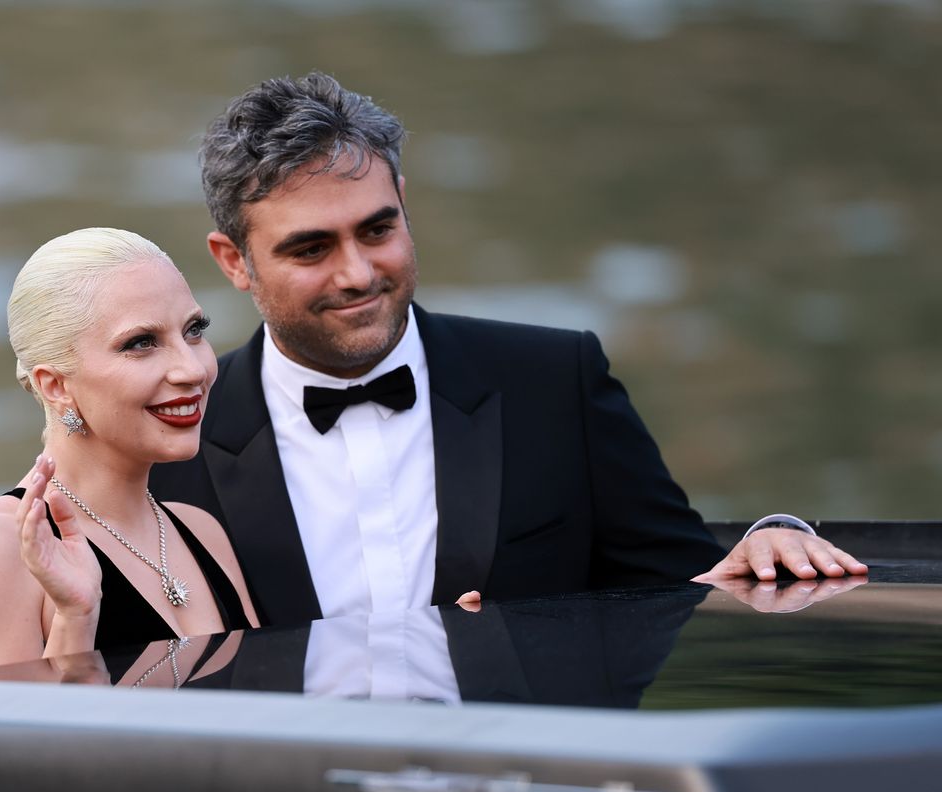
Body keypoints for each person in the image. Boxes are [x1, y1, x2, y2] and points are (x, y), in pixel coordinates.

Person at [148, 72, 867, 628]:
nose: (359, 273)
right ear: (234, 262)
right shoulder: (168, 438)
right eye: (310, 248)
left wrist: (776, 537)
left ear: (404, 201)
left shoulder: (557, 383)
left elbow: (685, 591)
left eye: (376, 230)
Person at [0, 228, 259, 677]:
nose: (193, 369)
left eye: (194, 331)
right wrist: (75, 623)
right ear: (54, 385)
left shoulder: (203, 532)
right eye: (142, 343)